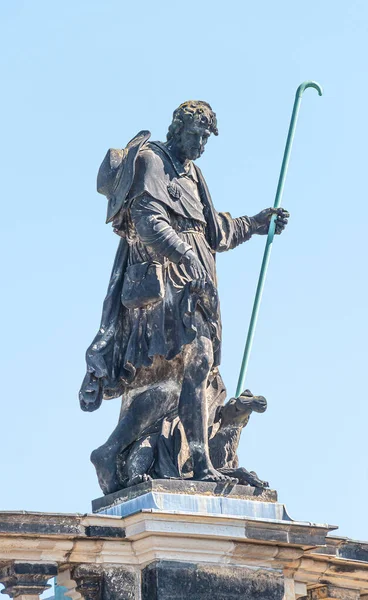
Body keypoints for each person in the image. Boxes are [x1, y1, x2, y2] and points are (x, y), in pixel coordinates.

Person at [79, 101, 289, 494]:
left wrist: (256, 224)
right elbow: (147, 218)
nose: (201, 144)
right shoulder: (152, 161)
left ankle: (114, 451)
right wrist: (184, 255)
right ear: (177, 129)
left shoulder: (193, 174)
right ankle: (201, 462)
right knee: (198, 360)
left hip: (195, 281)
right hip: (166, 282)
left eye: (206, 138)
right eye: (196, 135)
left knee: (172, 382)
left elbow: (214, 231)